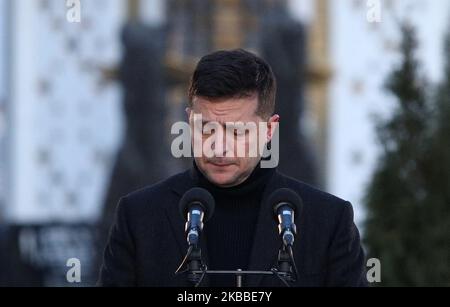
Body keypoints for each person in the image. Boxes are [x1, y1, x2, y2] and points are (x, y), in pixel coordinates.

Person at [98, 49, 367, 287]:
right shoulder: (138, 217)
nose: (219, 148)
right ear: (190, 121)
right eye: (206, 129)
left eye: (237, 132)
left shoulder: (328, 221)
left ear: (269, 129)